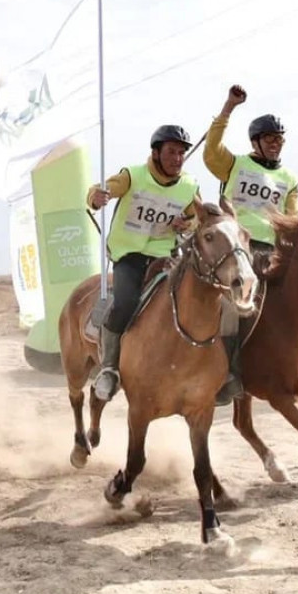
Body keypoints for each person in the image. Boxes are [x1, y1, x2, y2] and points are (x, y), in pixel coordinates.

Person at [202, 84, 298, 404]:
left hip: (271, 252)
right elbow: (211, 151)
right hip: (236, 249)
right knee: (233, 309)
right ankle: (228, 373)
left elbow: (293, 217)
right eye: (270, 139)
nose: (276, 144)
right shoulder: (235, 164)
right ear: (256, 141)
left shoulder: (290, 177)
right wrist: (229, 107)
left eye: (280, 140)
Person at [89, 125, 201, 403]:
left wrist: (186, 223)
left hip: (165, 257)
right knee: (126, 302)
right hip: (129, 255)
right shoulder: (133, 175)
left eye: (181, 153)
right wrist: (97, 197)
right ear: (156, 152)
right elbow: (102, 189)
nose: (178, 158)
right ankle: (109, 368)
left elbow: (198, 217)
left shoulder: (189, 186)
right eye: (171, 152)